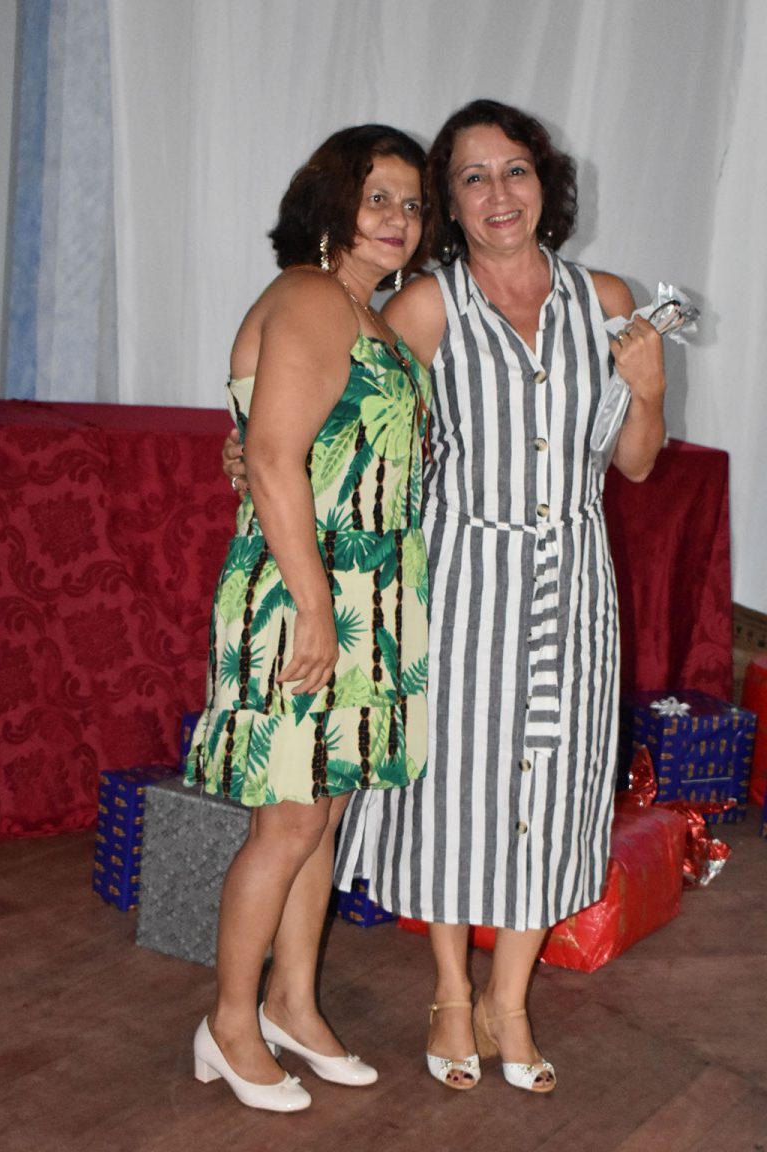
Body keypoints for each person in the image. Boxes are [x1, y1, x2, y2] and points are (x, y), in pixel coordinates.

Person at [223, 99, 666, 1096]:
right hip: (462, 574)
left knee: (558, 781)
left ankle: (511, 1002)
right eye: (471, 177)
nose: (497, 192)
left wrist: (649, 388)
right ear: (451, 207)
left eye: (515, 170)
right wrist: (247, 443)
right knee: (460, 787)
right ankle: (452, 997)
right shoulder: (425, 306)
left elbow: (637, 463)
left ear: (545, 184)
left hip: (576, 576)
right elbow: (337, 401)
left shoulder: (604, 299)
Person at [188, 123, 431, 1113]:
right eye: (378, 197)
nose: (399, 218)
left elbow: (293, 443)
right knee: (287, 818)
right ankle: (228, 1024)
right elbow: (274, 459)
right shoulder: (308, 295)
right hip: (305, 593)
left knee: (321, 808)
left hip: (363, 593)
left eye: (412, 203)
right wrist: (318, 607)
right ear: (331, 202)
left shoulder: (366, 317)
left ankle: (290, 1003)